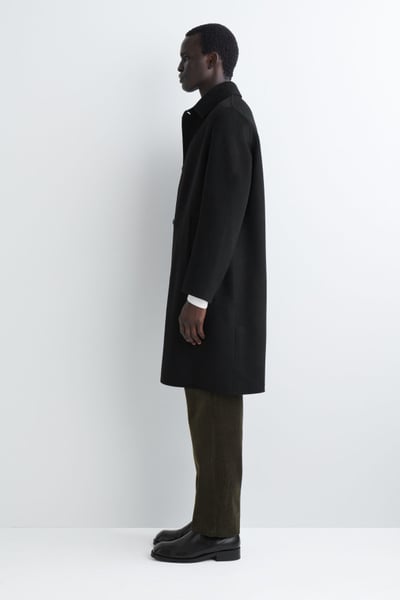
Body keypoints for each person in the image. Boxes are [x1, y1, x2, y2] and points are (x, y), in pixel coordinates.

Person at [151, 23, 266, 563]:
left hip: (218, 298)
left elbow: (224, 213)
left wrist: (198, 297)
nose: (180, 67)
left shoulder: (230, 119)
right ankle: (209, 520)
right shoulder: (213, 118)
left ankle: (220, 533)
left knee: (216, 408)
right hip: (211, 293)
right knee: (204, 405)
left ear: (213, 60)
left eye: (187, 58)